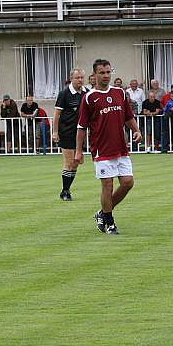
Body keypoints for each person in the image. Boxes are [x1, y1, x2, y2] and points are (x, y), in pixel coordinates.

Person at [74, 59, 142, 235]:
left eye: (108, 72)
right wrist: (78, 151)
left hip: (120, 146)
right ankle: (110, 223)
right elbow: (81, 126)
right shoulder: (89, 98)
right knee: (107, 185)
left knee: (128, 183)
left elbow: (128, 116)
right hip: (101, 149)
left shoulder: (119, 93)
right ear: (94, 75)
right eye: (102, 73)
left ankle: (102, 213)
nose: (105, 76)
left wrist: (137, 130)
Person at [52, 69, 87, 201]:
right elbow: (57, 114)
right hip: (66, 132)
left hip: (80, 134)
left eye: (82, 77)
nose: (80, 80)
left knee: (76, 163)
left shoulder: (86, 93)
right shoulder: (64, 93)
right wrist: (55, 132)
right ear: (71, 79)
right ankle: (65, 191)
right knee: (68, 162)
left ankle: (65, 190)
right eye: (77, 77)